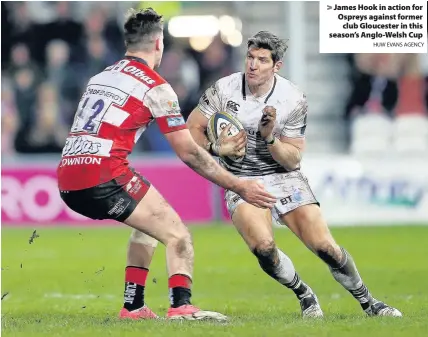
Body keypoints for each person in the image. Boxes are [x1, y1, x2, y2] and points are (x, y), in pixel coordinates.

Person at [57, 9, 276, 321]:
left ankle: (133, 307)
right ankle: (181, 306)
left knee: (148, 230)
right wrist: (240, 184)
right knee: (178, 235)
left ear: (126, 42)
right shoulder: (156, 86)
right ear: (158, 44)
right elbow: (186, 152)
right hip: (104, 174)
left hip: (68, 175)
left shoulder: (100, 77)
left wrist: (213, 147)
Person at [186, 31, 402, 318]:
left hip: (283, 177)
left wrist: (270, 139)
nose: (253, 65)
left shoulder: (293, 98)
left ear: (277, 66)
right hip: (243, 180)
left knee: (326, 247)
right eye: (250, 57)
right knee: (263, 248)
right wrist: (216, 147)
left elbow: (293, 159)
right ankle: (305, 295)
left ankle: (369, 303)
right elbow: (191, 129)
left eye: (262, 60)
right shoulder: (223, 89)